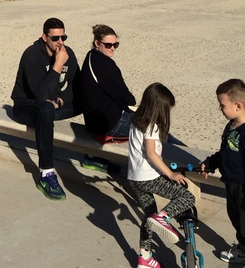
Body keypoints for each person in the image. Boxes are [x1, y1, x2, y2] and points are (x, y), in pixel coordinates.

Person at [126, 83, 196, 268]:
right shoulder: (151, 125)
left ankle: (145, 258)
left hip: (134, 178)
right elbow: (151, 153)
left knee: (148, 217)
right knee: (187, 196)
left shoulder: (137, 120)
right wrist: (170, 174)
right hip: (148, 177)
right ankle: (164, 218)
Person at [11, 17, 79, 200]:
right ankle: (46, 173)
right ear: (44, 37)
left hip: (53, 105)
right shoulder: (32, 55)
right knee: (45, 108)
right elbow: (40, 95)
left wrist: (61, 101)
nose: (60, 42)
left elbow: (76, 86)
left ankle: (93, 152)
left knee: (88, 98)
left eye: (63, 37)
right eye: (55, 38)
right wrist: (57, 65)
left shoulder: (68, 53)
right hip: (26, 106)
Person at [197, 78, 245, 265]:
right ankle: (242, 249)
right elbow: (225, 152)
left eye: (222, 105)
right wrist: (211, 162)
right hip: (230, 183)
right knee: (236, 220)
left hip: (243, 187)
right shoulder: (231, 126)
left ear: (238, 105)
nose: (220, 109)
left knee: (244, 223)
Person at [75, 25, 136, 153]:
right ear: (97, 43)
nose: (112, 48)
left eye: (115, 45)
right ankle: (184, 161)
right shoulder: (106, 65)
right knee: (156, 129)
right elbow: (128, 98)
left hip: (93, 122)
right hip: (109, 125)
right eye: (108, 45)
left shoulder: (91, 56)